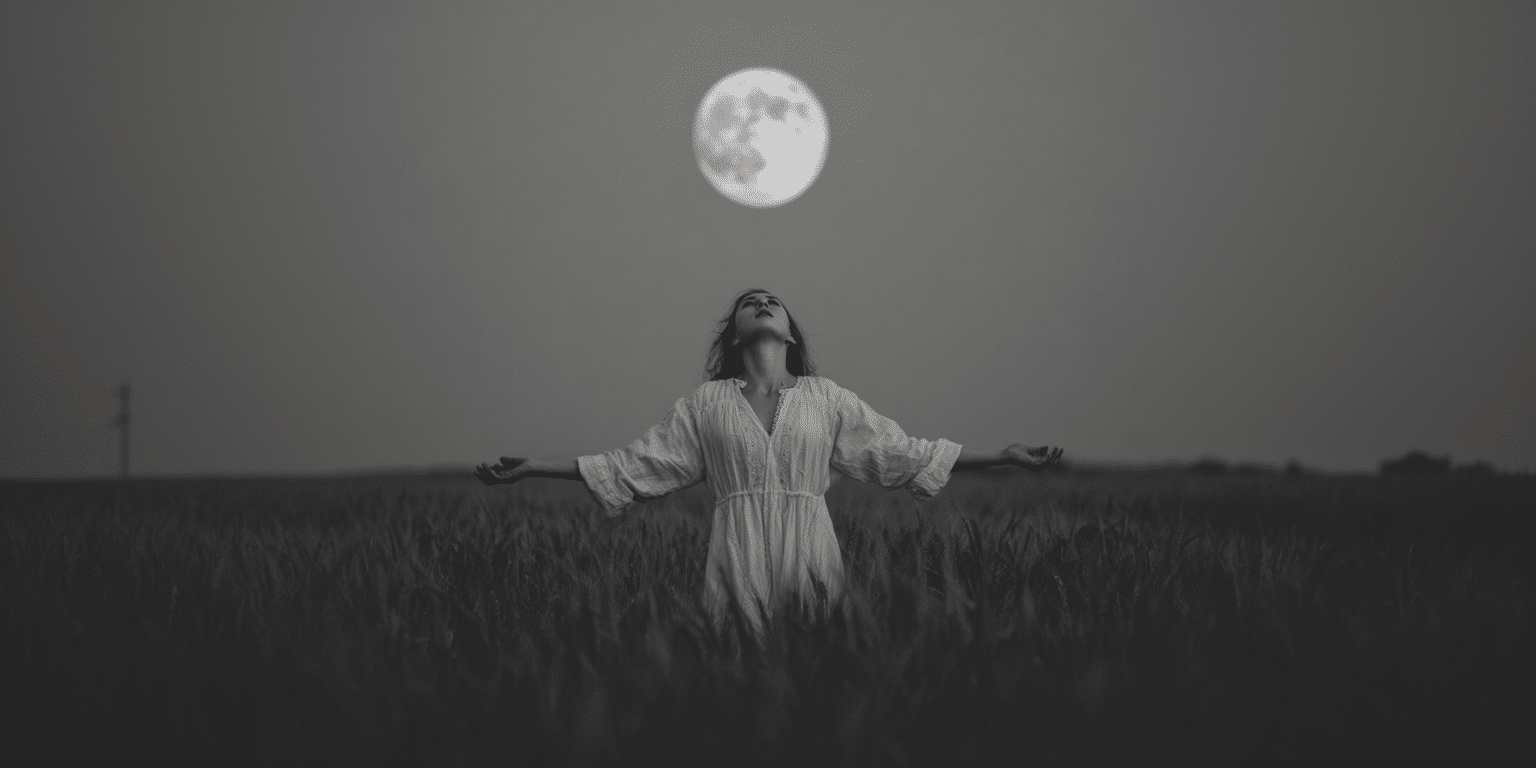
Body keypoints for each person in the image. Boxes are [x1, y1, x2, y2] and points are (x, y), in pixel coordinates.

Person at [476, 288, 1061, 633]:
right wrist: (534, 467)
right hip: (736, 553)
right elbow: (633, 465)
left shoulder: (827, 398)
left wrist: (1004, 457)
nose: (762, 304)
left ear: (788, 333)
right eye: (751, 304)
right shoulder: (705, 403)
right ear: (734, 334)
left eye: (773, 302)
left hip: (811, 549)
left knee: (813, 675)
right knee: (735, 676)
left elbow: (902, 454)